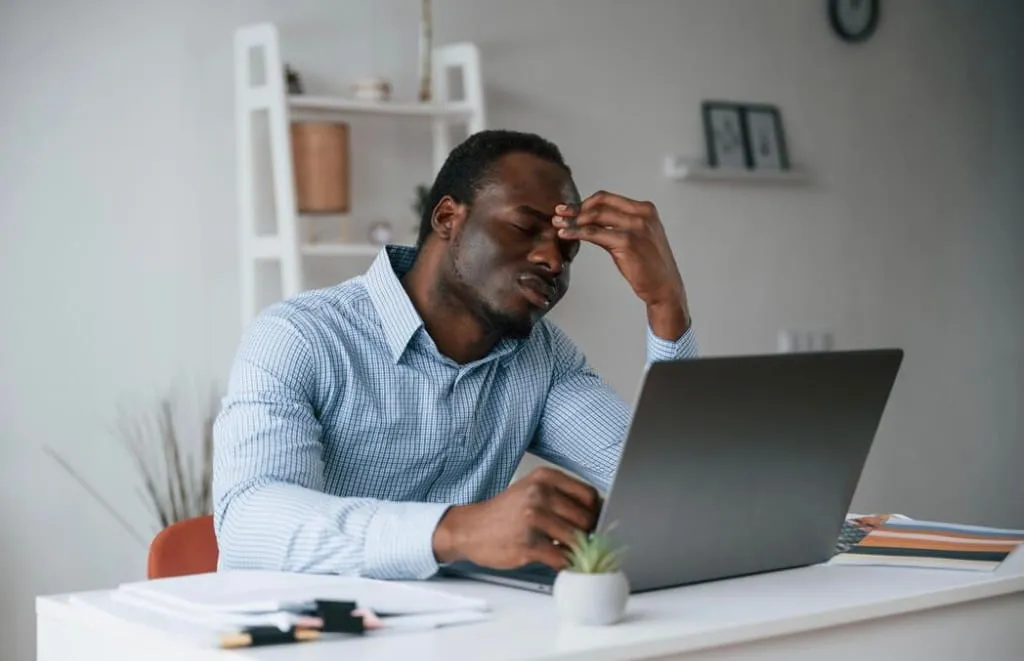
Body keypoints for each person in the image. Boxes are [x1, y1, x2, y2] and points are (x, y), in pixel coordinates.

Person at [212, 129, 698, 580]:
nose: (552, 260)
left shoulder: (543, 360)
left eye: (568, 252)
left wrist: (666, 305)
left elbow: (675, 486)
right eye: (524, 227)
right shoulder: (301, 336)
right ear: (447, 217)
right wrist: (457, 530)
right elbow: (250, 521)